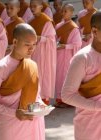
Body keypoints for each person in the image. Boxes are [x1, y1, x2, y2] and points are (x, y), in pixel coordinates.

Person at [0, 23, 45, 140]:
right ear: (15, 42)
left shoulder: (32, 65)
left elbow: (36, 96)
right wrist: (14, 113)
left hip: (33, 121)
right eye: (27, 44)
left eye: (34, 44)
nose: (31, 49)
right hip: (10, 124)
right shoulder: (1, 67)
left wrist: (41, 105)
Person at [62, 11, 101, 140]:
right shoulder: (82, 58)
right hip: (90, 124)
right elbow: (67, 95)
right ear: (94, 32)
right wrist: (97, 106)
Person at [29, 0, 56, 105]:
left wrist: (41, 38)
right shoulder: (30, 21)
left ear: (41, 7)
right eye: (31, 6)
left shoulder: (46, 21)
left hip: (43, 53)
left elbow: (51, 39)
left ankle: (44, 100)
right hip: (32, 53)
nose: (32, 9)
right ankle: (34, 98)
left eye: (35, 6)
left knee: (42, 75)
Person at [55, 3, 82, 107]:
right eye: (62, 11)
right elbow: (56, 39)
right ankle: (59, 99)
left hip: (67, 56)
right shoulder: (58, 25)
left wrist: (65, 46)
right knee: (59, 77)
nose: (63, 13)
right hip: (59, 55)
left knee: (65, 77)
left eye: (66, 11)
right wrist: (57, 44)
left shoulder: (74, 28)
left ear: (71, 13)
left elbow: (77, 44)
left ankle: (67, 100)